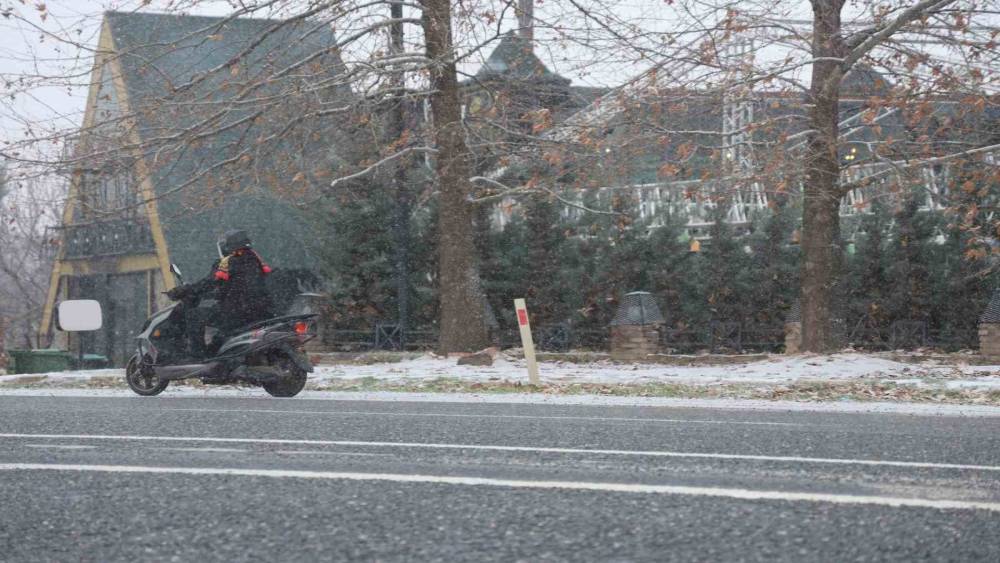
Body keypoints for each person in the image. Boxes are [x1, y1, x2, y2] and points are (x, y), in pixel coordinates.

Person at [167, 230, 275, 356]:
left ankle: (197, 356)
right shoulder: (256, 261)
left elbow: (208, 283)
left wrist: (184, 290)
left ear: (226, 247)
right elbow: (239, 287)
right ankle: (216, 356)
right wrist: (212, 295)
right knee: (219, 335)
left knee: (194, 316)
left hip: (237, 313)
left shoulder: (228, 262)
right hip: (260, 313)